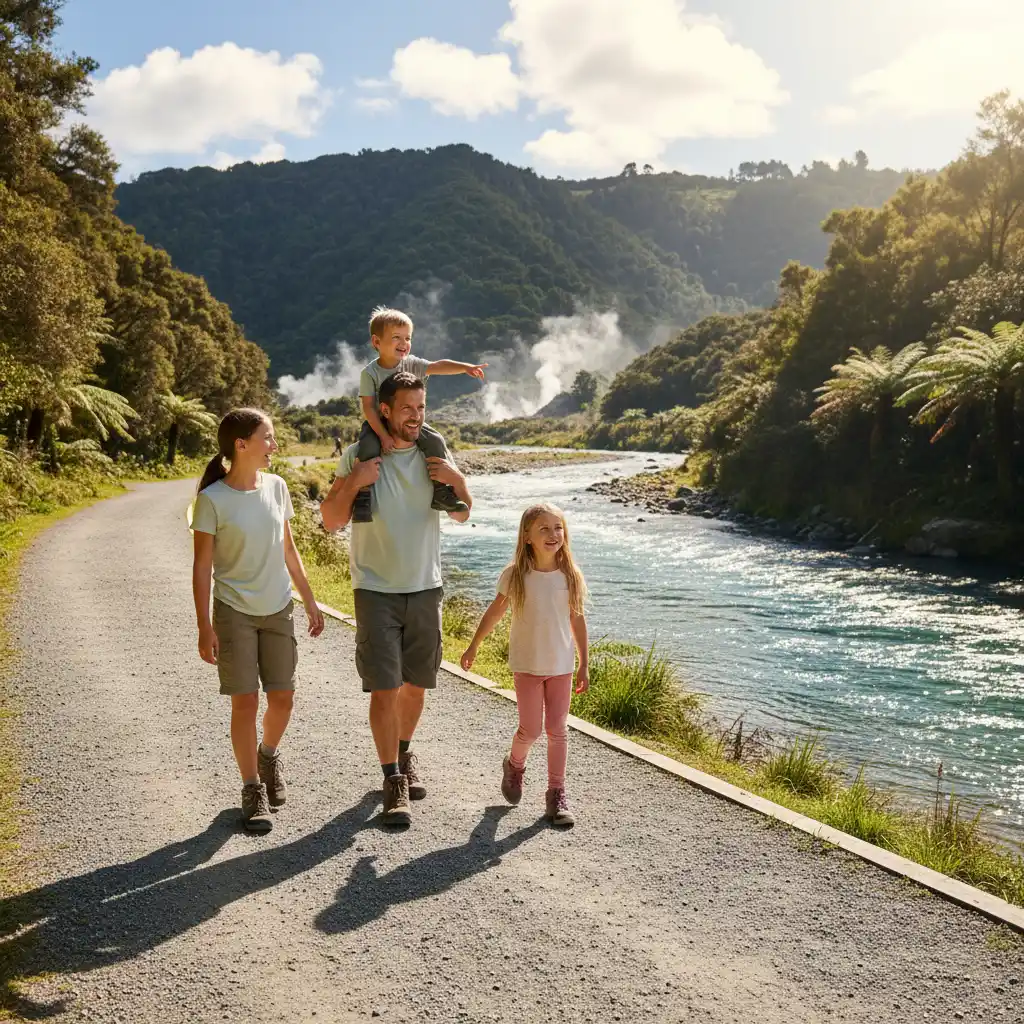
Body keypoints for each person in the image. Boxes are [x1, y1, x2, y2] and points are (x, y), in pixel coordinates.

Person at [321, 372, 473, 826]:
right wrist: (354, 480)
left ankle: (404, 753)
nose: (415, 417)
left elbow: (464, 513)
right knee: (385, 687)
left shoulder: (435, 456)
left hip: (426, 587)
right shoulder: (358, 455)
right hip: (375, 590)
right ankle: (392, 781)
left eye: (421, 409)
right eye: (407, 408)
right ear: (384, 410)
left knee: (415, 686)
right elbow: (329, 520)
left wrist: (458, 479)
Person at [191, 409, 325, 833]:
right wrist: (203, 626)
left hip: (278, 607)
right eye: (267, 437)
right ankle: (252, 788)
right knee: (245, 701)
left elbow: (289, 549)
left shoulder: (278, 487)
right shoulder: (212, 500)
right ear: (240, 445)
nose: (274, 445)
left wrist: (310, 599)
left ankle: (268, 755)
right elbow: (201, 569)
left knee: (283, 697)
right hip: (233, 612)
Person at [460, 503, 589, 828]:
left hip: (561, 665)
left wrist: (584, 662)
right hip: (527, 665)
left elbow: (577, 619)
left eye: (557, 527)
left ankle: (556, 794)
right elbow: (495, 612)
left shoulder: (570, 575)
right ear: (527, 536)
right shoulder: (516, 575)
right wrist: (474, 645)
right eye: (543, 528)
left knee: (558, 730)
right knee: (531, 729)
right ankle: (515, 765)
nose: (553, 534)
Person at [353, 306, 486, 523]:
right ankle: (363, 496)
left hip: (410, 424)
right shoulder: (369, 373)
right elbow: (368, 407)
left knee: (435, 440)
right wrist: (384, 436)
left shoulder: (412, 364)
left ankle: (441, 492)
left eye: (407, 338)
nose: (404, 343)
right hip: (379, 422)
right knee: (367, 447)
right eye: (396, 338)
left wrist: (465, 367)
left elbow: (437, 366)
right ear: (376, 342)